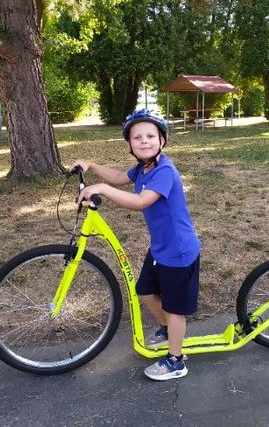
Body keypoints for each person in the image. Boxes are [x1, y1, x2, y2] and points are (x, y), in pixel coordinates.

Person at [72, 109, 201, 381]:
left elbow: (141, 202)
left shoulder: (164, 171)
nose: (144, 141)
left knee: (175, 309)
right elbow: (120, 176)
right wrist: (91, 165)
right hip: (160, 248)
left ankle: (176, 361)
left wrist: (101, 189)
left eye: (150, 136)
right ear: (130, 144)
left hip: (178, 252)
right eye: (137, 137)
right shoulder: (144, 168)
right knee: (145, 291)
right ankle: (168, 330)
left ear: (162, 141)